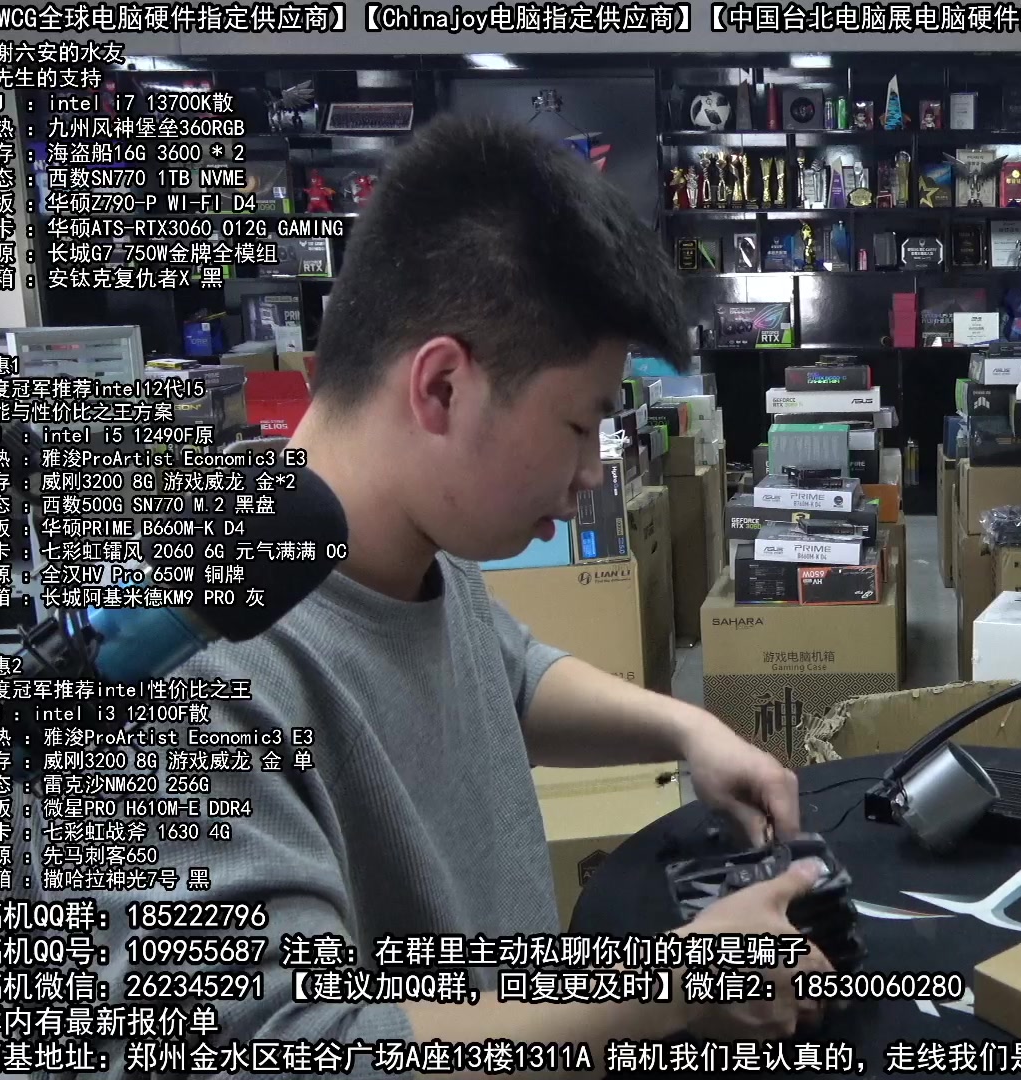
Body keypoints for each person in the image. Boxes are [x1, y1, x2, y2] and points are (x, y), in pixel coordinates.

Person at [87, 115, 841, 1071]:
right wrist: (671, 987)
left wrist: (691, 731)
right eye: (579, 425)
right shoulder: (185, 664)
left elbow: (508, 675)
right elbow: (293, 1045)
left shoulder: (415, 545)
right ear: (442, 387)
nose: (589, 473)